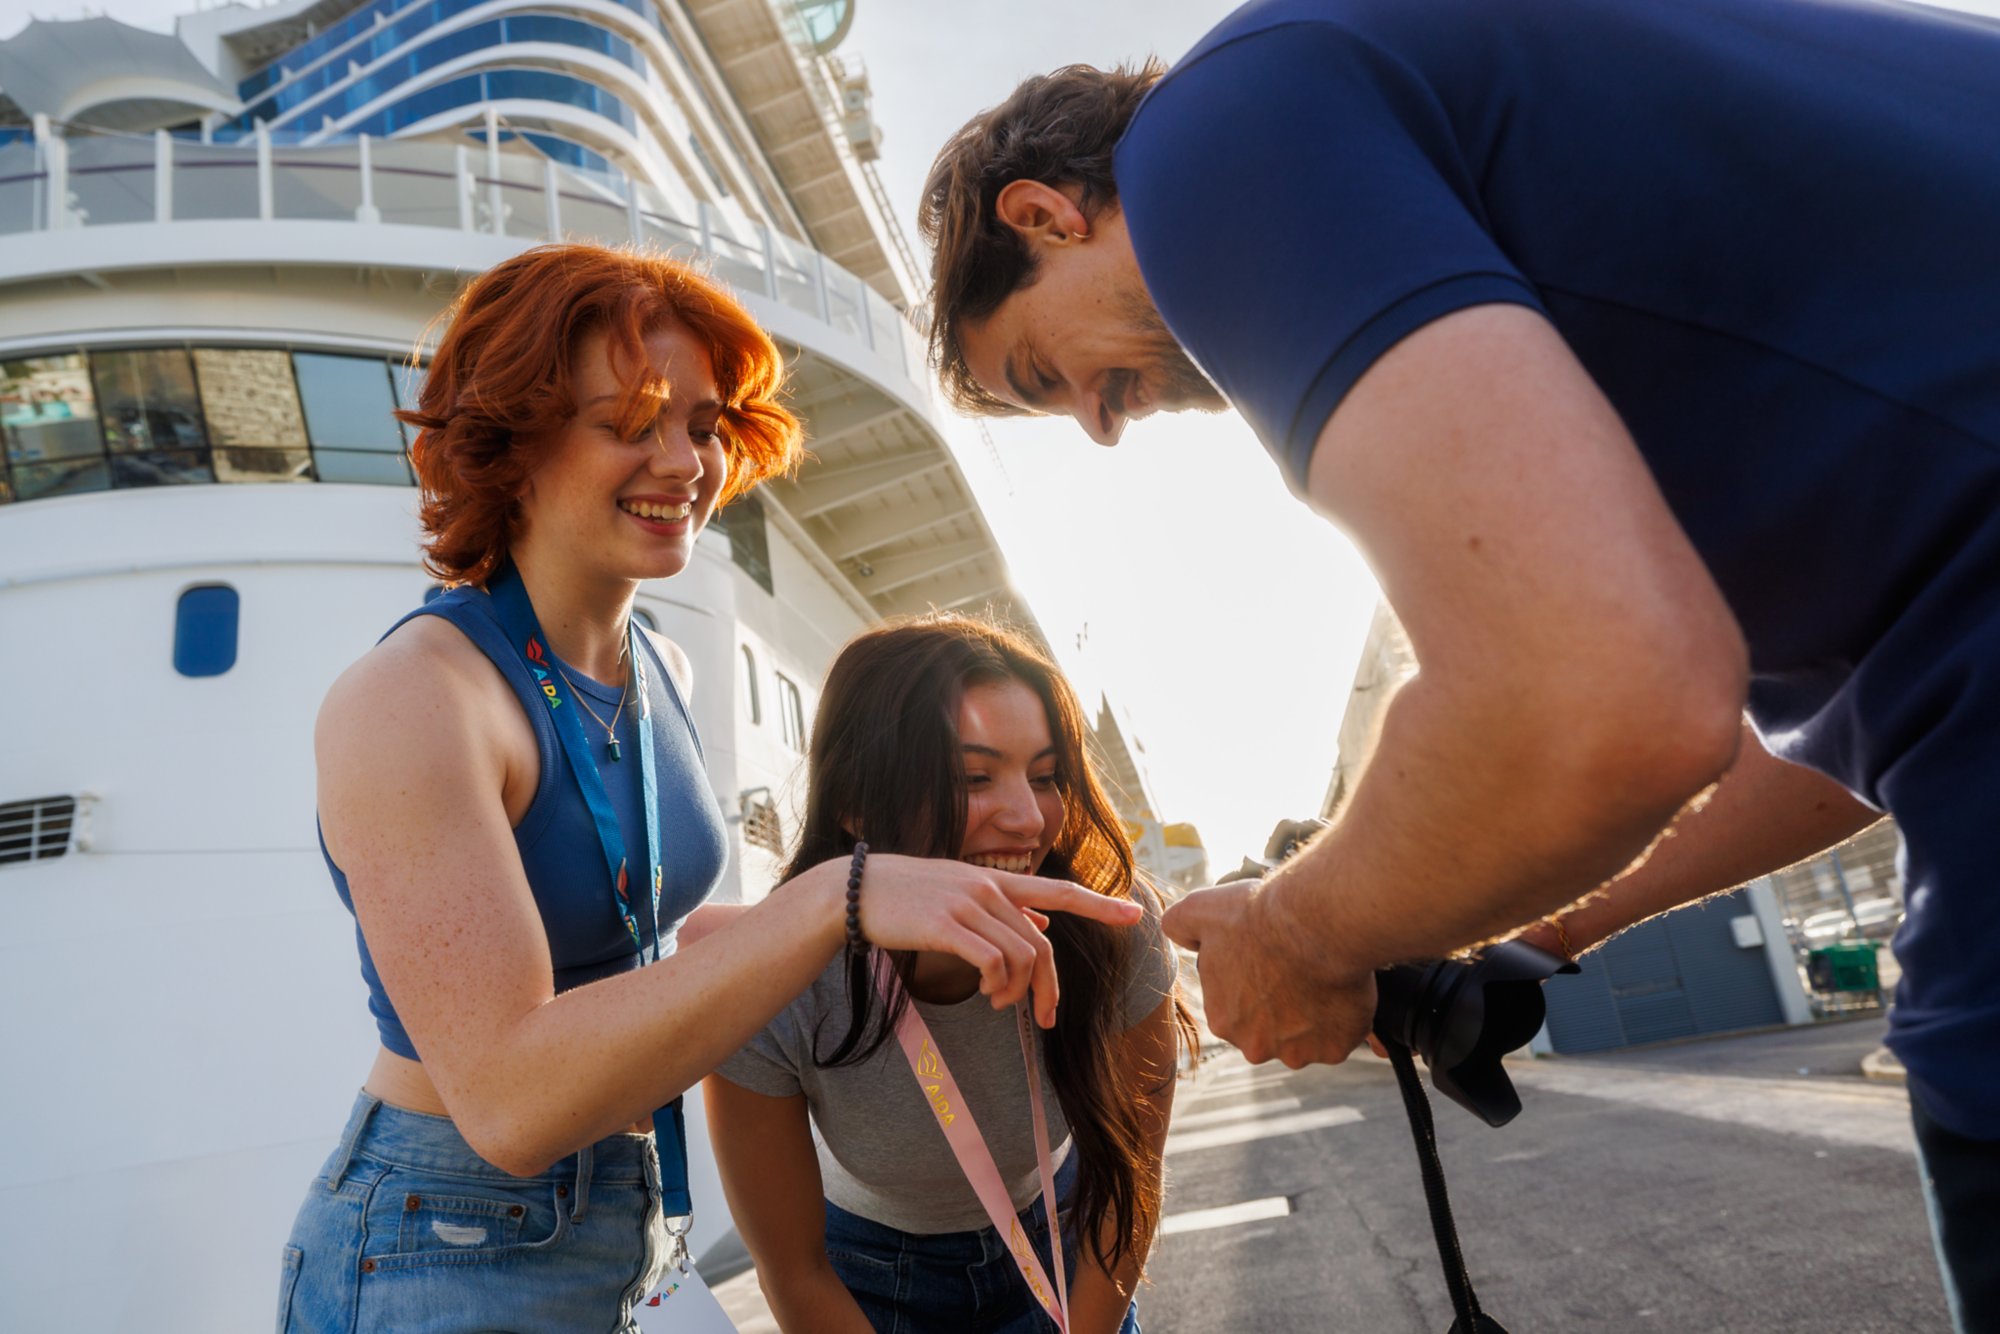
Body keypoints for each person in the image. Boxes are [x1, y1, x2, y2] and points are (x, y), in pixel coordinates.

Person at [916, 1, 2000, 1327]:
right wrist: (1529, 933)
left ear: (1045, 214)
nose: (1097, 426)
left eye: (1045, 371)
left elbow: (1599, 698)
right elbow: (1849, 737)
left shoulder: (1214, 134)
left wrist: (1299, 931)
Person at [277, 244, 1142, 1332]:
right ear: (512, 439)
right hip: (445, 1229)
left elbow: (632, 948)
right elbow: (507, 1098)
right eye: (630, 422)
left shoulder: (659, 671)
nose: (685, 461)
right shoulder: (415, 696)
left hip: (621, 1222)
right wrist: (838, 898)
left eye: (700, 424)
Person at [705, 616, 1195, 1334]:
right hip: (867, 1275)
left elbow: (1129, 1186)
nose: (1029, 818)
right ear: (856, 804)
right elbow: (794, 1272)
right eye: (973, 778)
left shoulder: (1112, 926)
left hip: (1065, 1232)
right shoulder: (771, 978)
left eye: (1046, 775)